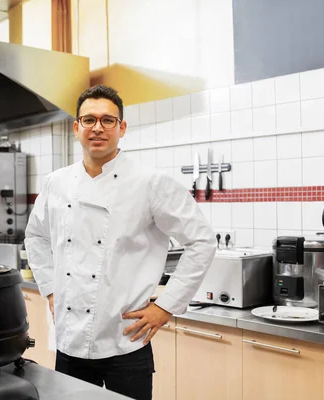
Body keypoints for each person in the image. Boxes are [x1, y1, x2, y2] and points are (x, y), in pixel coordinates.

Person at [24, 84, 217, 400]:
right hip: (69, 341)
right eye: (89, 120)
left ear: (122, 128)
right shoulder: (56, 182)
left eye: (107, 120)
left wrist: (166, 307)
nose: (97, 128)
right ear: (77, 128)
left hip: (125, 342)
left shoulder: (150, 182)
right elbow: (36, 237)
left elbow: (202, 241)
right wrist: (50, 289)